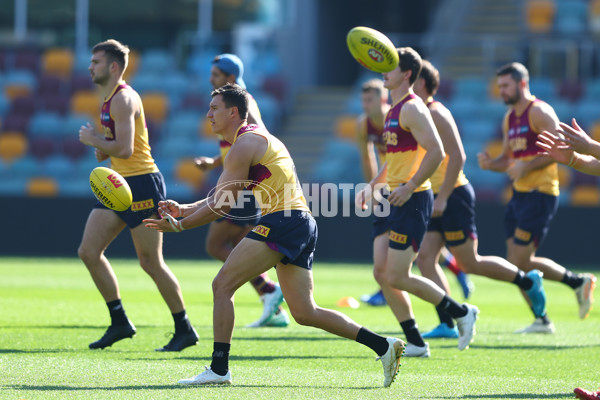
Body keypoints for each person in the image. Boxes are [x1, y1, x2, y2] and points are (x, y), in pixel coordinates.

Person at [143, 83, 405, 387]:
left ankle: (218, 369)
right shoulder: (251, 140)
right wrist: (184, 210)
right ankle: (383, 346)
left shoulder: (243, 144)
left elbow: (221, 205)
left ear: (233, 112)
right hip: (301, 222)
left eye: (214, 109)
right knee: (305, 312)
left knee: (222, 285)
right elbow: (223, 196)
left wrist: (180, 226)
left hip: (283, 221)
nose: (208, 114)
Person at [355, 47, 479, 355]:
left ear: (407, 73)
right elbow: (394, 158)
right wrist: (373, 185)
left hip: (411, 199)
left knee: (398, 274)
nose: (384, 70)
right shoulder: (395, 109)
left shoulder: (412, 108)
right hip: (392, 196)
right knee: (382, 273)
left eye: (391, 66)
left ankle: (461, 312)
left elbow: (437, 152)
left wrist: (410, 186)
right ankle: (415, 340)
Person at [77, 39, 198, 351]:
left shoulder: (122, 99)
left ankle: (184, 329)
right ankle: (119, 322)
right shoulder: (108, 99)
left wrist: (94, 141)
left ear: (113, 67)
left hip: (143, 185)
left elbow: (127, 149)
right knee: (89, 252)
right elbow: (116, 146)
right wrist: (103, 149)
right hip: (119, 185)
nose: (90, 67)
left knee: (150, 262)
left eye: (96, 62)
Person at [412, 60, 547, 339]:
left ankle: (527, 280)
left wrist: (444, 197)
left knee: (470, 262)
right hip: (432, 194)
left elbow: (458, 157)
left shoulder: (436, 113)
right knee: (425, 257)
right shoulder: (416, 113)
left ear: (420, 83)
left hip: (452, 194)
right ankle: (449, 322)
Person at [477, 62, 596, 332]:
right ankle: (565, 295)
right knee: (518, 264)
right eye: (499, 87)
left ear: (521, 84)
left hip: (541, 192)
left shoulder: (540, 111)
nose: (501, 91)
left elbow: (558, 151)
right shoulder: (510, 118)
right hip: (519, 194)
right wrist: (490, 164)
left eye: (506, 86)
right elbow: (509, 159)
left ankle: (550, 310)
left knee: (518, 263)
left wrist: (525, 167)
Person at [194, 53, 289, 328]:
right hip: (243, 186)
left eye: (215, 75)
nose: (210, 79)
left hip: (243, 190)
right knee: (238, 246)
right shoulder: (227, 106)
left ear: (230, 78)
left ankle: (268, 288)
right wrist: (214, 161)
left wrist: (183, 221)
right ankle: (272, 303)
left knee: (215, 245)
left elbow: (257, 139)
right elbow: (235, 146)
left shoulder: (242, 102)